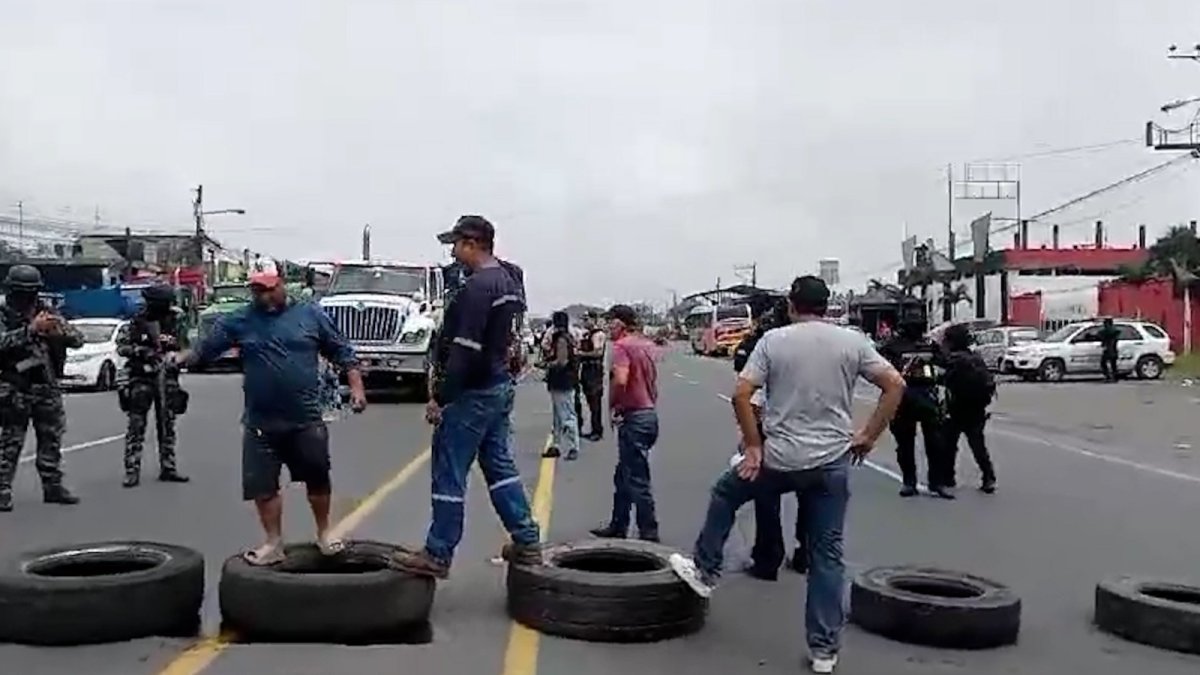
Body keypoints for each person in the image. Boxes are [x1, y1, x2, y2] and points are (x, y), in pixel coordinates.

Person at [668, 276, 905, 675]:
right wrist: (868, 436)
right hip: (831, 463)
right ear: (826, 306)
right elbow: (895, 385)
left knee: (726, 493)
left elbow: (742, 394)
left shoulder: (774, 341)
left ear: (793, 305)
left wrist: (753, 446)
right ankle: (824, 651)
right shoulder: (852, 342)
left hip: (779, 460)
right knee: (827, 556)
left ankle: (705, 571)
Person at [175, 271, 366, 565]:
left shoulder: (310, 315)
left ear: (281, 284)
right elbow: (205, 351)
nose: (264, 296)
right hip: (260, 421)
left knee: (317, 479)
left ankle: (324, 533)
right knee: (262, 487)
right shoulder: (239, 320)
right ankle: (273, 542)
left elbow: (342, 352)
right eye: (257, 291)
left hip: (305, 417)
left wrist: (357, 389)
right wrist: (179, 358)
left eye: (269, 289)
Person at [391, 215, 542, 579]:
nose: (453, 253)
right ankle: (527, 540)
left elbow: (464, 349)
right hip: (498, 385)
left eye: (456, 245)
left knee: (449, 470)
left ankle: (438, 552)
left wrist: (441, 397)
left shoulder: (478, 288)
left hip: (472, 392)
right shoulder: (508, 282)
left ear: (472, 244)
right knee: (499, 466)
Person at [732, 296, 807, 580]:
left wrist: (750, 440)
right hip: (816, 434)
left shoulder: (769, 342)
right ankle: (805, 554)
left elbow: (745, 392)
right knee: (811, 496)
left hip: (774, 430)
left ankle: (767, 559)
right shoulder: (831, 342)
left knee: (764, 495)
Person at [0, 265, 84, 512]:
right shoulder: (4, 314)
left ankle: (52, 486)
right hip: (15, 385)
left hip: (46, 385)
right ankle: (2, 490)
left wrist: (58, 331)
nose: (28, 298)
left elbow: (78, 339)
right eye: (22, 292)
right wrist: (30, 330)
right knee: (11, 441)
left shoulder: (46, 311)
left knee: (51, 437)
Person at [590, 304, 662, 542]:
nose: (607, 327)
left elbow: (621, 380)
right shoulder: (646, 345)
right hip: (648, 414)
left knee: (637, 479)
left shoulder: (621, 347)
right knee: (624, 475)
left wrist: (614, 405)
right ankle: (618, 524)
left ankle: (649, 531)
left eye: (610, 322)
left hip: (634, 416)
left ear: (620, 323)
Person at [117, 284, 191, 487]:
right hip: (141, 377)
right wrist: (141, 351)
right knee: (136, 426)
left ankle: (168, 467)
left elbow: (186, 347)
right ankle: (132, 470)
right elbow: (122, 347)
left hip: (167, 378)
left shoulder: (175, 320)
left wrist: (177, 356)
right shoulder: (137, 321)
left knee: (167, 425)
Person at [877, 314, 954, 499]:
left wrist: (934, 371)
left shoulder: (928, 345)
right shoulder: (892, 346)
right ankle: (909, 482)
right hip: (903, 395)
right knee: (905, 443)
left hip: (926, 394)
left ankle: (936, 483)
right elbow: (880, 369)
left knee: (935, 443)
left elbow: (945, 364)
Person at [941, 324, 997, 493]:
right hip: (976, 409)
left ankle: (948, 477)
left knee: (949, 445)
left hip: (956, 408)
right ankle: (988, 476)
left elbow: (944, 382)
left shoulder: (952, 360)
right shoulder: (976, 359)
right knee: (978, 446)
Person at [541, 311, 580, 460]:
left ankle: (573, 446)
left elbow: (562, 361)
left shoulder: (562, 339)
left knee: (566, 415)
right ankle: (556, 445)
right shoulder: (567, 337)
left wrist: (546, 365)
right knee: (558, 415)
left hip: (562, 380)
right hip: (562, 381)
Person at [577, 310, 607, 441]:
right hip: (587, 368)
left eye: (586, 319)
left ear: (593, 319)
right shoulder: (587, 334)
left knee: (595, 401)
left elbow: (597, 352)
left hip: (594, 369)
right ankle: (594, 429)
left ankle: (597, 430)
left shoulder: (598, 334)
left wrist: (581, 354)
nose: (584, 322)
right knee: (590, 400)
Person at [1099, 317, 1120, 382]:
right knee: (1113, 364)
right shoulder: (1114, 330)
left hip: (1109, 349)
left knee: (1103, 363)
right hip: (1113, 349)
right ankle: (1114, 377)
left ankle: (1109, 376)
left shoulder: (1109, 330)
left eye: (1105, 323)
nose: (1104, 325)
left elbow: (1102, 334)